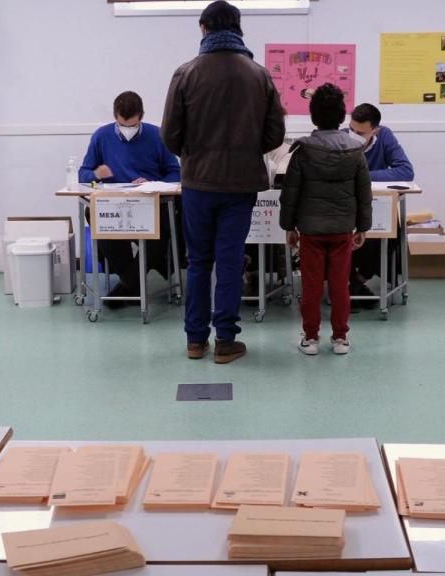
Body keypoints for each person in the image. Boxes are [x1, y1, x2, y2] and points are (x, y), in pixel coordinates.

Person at [162, 0, 285, 364]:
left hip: (198, 183)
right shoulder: (259, 75)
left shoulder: (186, 73)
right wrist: (248, 150)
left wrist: (193, 154)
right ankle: (226, 341)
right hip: (241, 184)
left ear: (203, 28)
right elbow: (275, 134)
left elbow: (169, 135)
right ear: (238, 28)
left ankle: (195, 340)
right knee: (230, 261)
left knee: (199, 262)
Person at [280, 84, 372, 356]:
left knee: (311, 285)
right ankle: (340, 338)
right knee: (340, 284)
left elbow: (290, 192)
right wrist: (363, 227)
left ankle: (310, 338)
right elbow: (364, 193)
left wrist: (289, 226)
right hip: (342, 229)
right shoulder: (356, 150)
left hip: (311, 230)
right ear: (342, 116)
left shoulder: (303, 150)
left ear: (313, 116)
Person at [79, 91, 182, 307]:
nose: (127, 130)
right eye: (122, 125)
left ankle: (129, 286)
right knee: (94, 215)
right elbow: (83, 174)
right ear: (115, 116)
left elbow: (175, 172)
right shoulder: (101, 136)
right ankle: (133, 284)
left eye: (132, 125)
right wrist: (96, 174)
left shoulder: (157, 135)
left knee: (161, 232)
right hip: (114, 205)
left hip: (151, 204)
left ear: (141, 117)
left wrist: (153, 182)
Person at [346, 103, 414, 308]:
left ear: (374, 130)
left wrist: (364, 176)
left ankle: (357, 283)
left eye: (360, 133)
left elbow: (406, 171)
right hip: (346, 207)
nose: (354, 136)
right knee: (338, 235)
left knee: (393, 232)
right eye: (352, 129)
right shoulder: (341, 137)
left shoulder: (385, 136)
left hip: (376, 206)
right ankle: (348, 285)